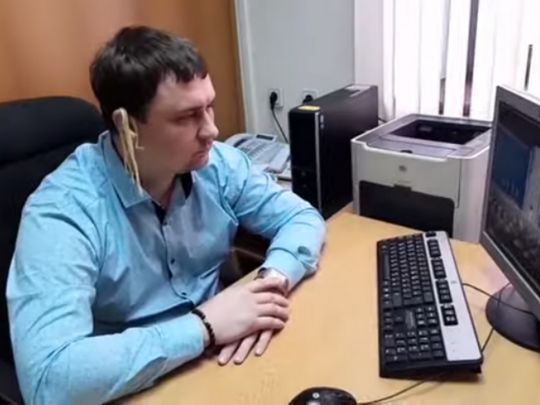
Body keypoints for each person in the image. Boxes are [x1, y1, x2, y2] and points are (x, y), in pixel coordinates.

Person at [6, 26, 325, 404]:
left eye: (209, 106)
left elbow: (301, 218)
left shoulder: (216, 165)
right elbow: (49, 380)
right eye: (188, 116)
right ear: (127, 126)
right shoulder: (63, 211)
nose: (212, 130)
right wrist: (204, 327)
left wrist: (270, 283)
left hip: (222, 361)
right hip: (134, 386)